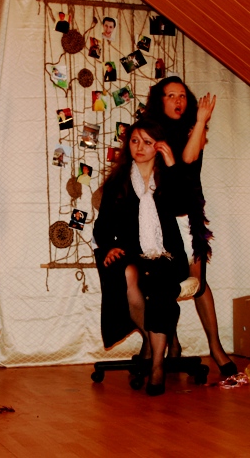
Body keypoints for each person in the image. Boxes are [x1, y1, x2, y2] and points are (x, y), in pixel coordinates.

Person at [143, 76, 237, 376]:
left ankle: (216, 348)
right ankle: (170, 343)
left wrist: (199, 122)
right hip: (161, 217)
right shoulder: (150, 131)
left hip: (189, 215)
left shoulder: (193, 128)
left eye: (182, 95)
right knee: (164, 283)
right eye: (171, 95)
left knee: (199, 284)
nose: (178, 100)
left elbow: (188, 159)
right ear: (160, 100)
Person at [93, 119, 192, 395]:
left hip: (167, 254)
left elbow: (184, 204)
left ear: (158, 147)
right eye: (135, 141)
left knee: (160, 285)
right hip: (133, 254)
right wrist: (107, 246)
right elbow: (103, 226)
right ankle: (154, 337)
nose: (139, 147)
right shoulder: (118, 182)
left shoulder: (166, 177)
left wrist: (172, 164)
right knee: (125, 273)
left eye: (147, 142)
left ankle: (157, 366)